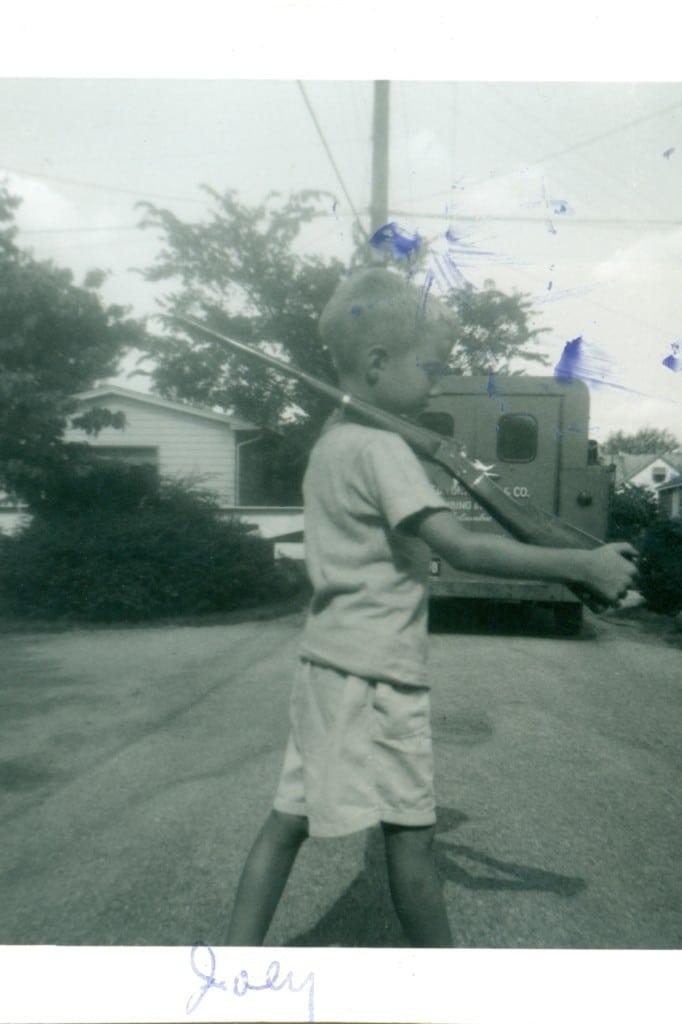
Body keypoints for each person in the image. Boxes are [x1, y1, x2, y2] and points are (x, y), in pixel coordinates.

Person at [226, 268, 636, 948]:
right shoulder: (384, 449)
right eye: (433, 367)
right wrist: (581, 563)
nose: (440, 383)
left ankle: (228, 972)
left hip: (328, 665)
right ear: (379, 364)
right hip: (380, 676)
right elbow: (462, 550)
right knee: (411, 839)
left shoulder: (333, 443)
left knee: (289, 821)